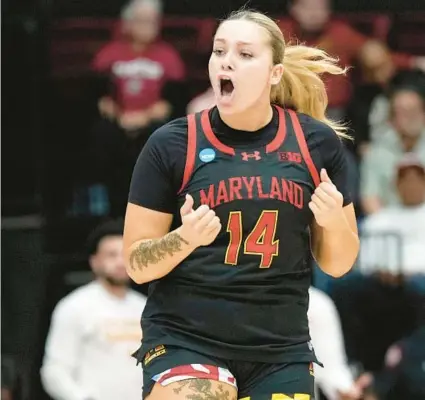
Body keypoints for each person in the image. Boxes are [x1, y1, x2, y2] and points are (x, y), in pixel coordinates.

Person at [124, 9, 359, 400]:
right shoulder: (172, 144)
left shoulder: (315, 144)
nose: (227, 61)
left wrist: (334, 222)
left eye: (245, 54)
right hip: (188, 338)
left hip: (280, 348)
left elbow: (338, 263)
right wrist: (184, 239)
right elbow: (136, 263)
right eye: (219, 51)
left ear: (275, 74)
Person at [41, 220, 147, 400]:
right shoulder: (75, 306)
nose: (120, 262)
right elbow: (54, 370)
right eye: (111, 255)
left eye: (125, 255)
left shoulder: (145, 307)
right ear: (95, 261)